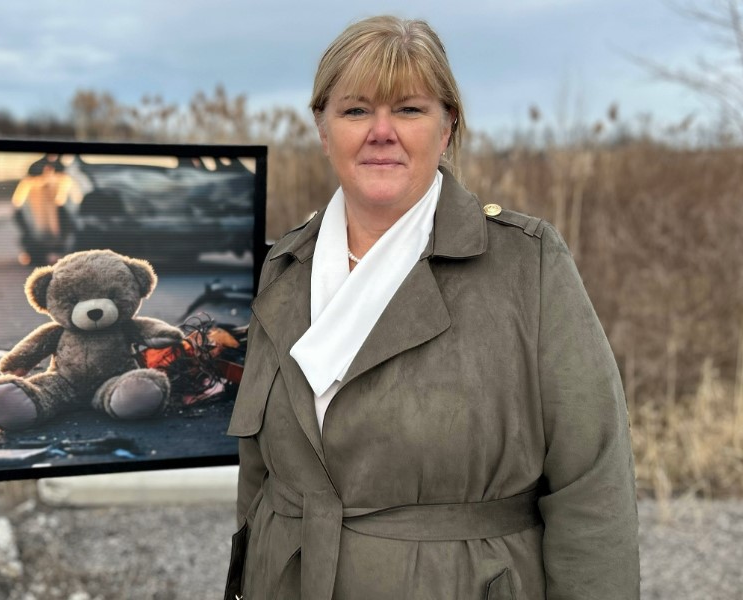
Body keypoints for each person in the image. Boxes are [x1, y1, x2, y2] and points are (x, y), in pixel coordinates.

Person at [226, 15, 639, 599]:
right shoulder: (287, 267)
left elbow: (592, 482)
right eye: (356, 110)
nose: (382, 131)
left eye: (410, 110)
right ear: (324, 129)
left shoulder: (527, 266)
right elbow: (259, 475)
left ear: (447, 128)